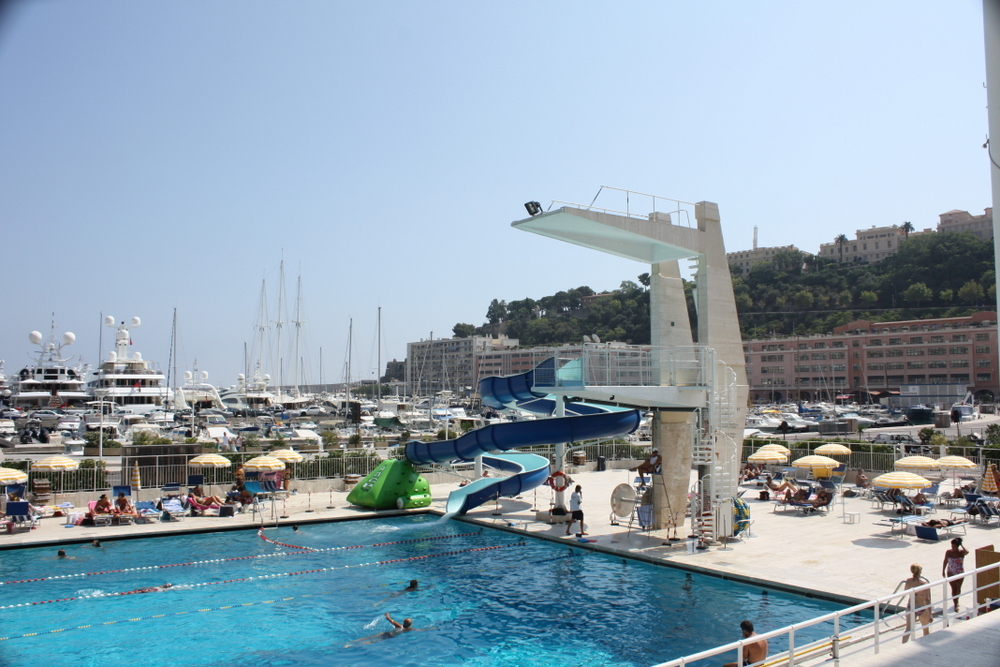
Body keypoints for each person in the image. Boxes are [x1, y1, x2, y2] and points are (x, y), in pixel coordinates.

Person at [902, 563, 932, 643]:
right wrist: (930, 613)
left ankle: (903, 645)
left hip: (911, 606)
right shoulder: (924, 584)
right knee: (925, 630)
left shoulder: (908, 581)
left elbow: (905, 592)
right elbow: (927, 599)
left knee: (908, 629)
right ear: (920, 571)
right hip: (921, 607)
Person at [942, 536, 969, 612]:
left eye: (954, 547)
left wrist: (961, 544)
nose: (953, 548)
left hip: (960, 572)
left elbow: (967, 551)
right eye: (952, 546)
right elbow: (945, 561)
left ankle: (957, 599)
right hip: (951, 572)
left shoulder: (961, 552)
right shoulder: (948, 552)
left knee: (958, 588)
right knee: (954, 588)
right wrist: (943, 570)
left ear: (958, 546)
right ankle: (955, 604)